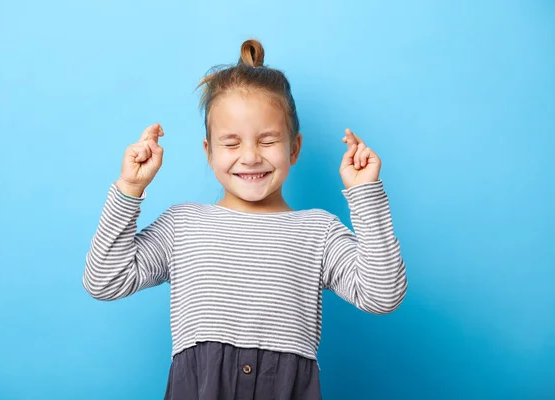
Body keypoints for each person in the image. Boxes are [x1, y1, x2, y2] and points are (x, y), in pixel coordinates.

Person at [83, 38, 408, 400]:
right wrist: (130, 188)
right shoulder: (183, 225)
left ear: (294, 148)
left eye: (267, 140)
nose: (250, 157)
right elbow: (104, 280)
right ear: (209, 152)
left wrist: (366, 196)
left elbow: (383, 295)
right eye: (231, 143)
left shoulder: (319, 232)